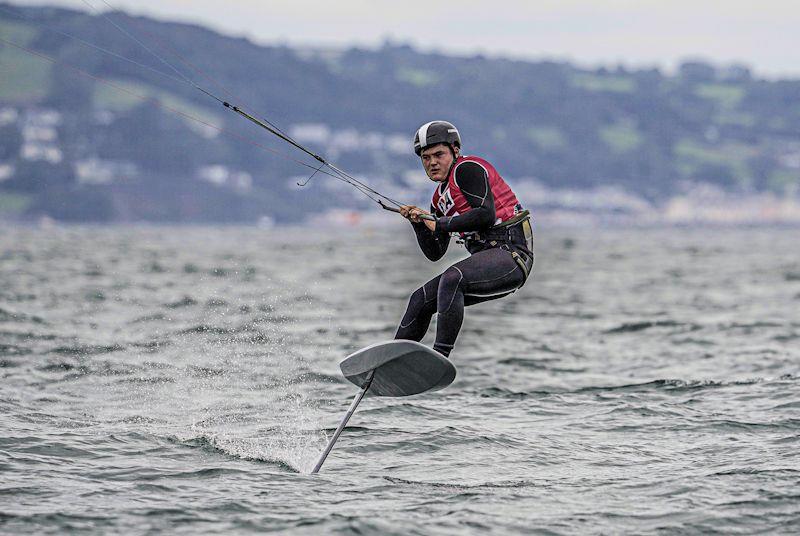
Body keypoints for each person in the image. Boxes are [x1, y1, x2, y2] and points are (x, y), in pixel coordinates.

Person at [395, 120, 534, 357]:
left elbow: (485, 215)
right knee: (421, 299)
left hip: (512, 256)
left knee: (452, 278)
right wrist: (418, 224)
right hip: (489, 258)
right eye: (426, 158)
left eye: (438, 154)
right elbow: (435, 252)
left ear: (455, 151)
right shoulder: (439, 199)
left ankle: (439, 357)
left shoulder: (466, 169)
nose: (432, 162)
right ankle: (389, 361)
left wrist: (438, 223)